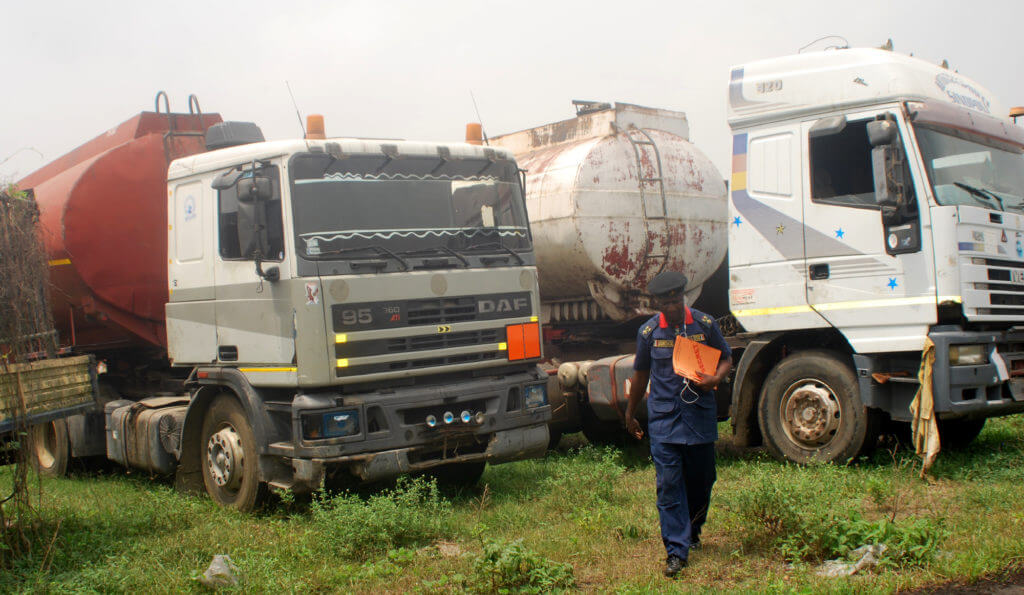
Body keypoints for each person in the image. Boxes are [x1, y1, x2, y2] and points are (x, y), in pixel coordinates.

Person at [624, 270, 733, 578]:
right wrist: (631, 413)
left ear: (683, 297)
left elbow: (726, 357)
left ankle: (693, 529)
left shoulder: (704, 325)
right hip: (664, 421)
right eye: (665, 302)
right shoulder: (648, 333)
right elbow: (641, 374)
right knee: (669, 485)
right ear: (656, 303)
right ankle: (675, 551)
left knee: (703, 479)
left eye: (676, 300)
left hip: (698, 416)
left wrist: (716, 378)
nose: (672, 306)